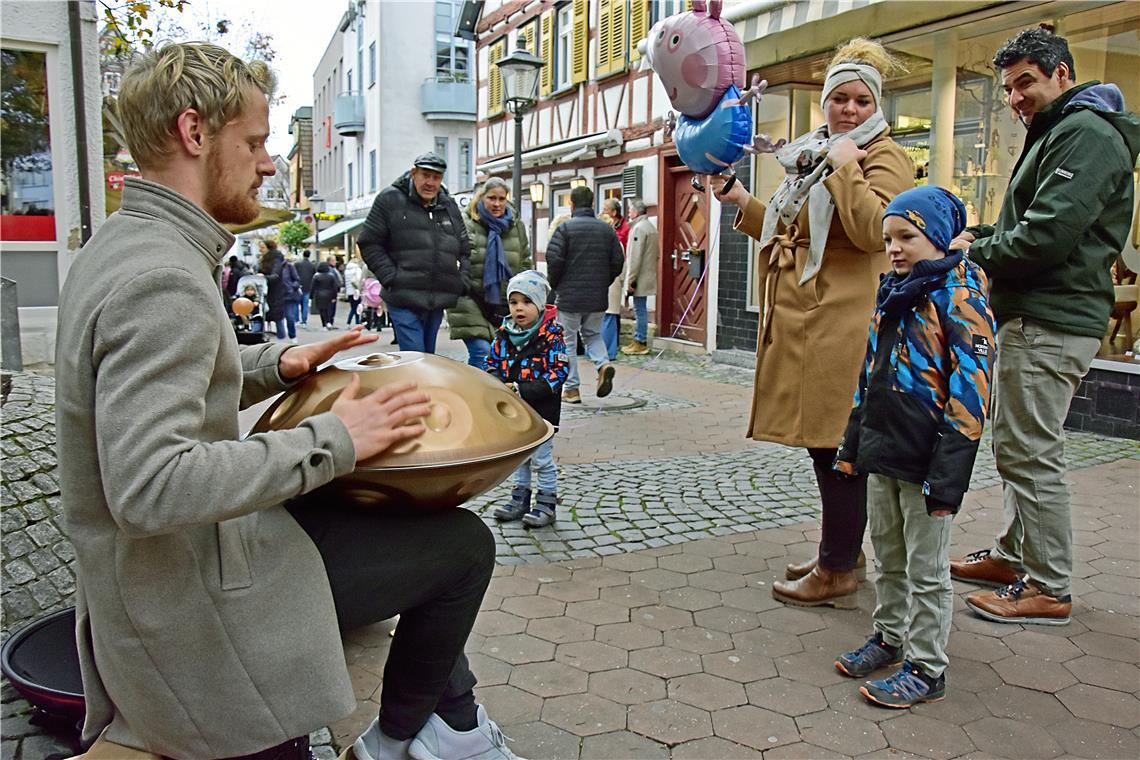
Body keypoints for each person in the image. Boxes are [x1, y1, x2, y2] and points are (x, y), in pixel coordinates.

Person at [53, 43, 514, 759]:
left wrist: (278, 363)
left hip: (168, 567)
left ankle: (445, 724)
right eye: (255, 142)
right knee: (462, 547)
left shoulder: (125, 245)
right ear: (194, 133)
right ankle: (405, 739)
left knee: (399, 520)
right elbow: (149, 487)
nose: (268, 164)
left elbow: (166, 377)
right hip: (182, 593)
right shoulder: (162, 279)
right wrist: (336, 438)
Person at [711, 37, 914, 607]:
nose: (849, 109)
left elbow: (878, 231)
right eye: (839, 99)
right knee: (825, 445)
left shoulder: (882, 155)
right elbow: (790, 230)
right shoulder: (814, 153)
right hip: (808, 317)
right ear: (824, 103)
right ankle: (842, 552)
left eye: (861, 100)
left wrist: (848, 168)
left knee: (837, 445)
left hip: (844, 320)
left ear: (876, 105)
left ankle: (837, 567)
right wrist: (742, 200)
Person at [947, 26, 1139, 625]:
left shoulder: (1085, 134)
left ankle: (1049, 585)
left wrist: (976, 251)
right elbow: (1033, 225)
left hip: (1050, 317)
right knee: (1018, 443)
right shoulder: (1062, 130)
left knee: (1030, 450)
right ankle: (1013, 556)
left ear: (1062, 74)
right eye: (1008, 88)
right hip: (1039, 314)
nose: (1015, 98)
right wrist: (981, 234)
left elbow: (1047, 235)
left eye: (1025, 82)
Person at [833, 186, 996, 708]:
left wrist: (948, 477)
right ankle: (889, 637)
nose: (895, 248)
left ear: (938, 237)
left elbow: (972, 394)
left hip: (928, 459)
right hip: (884, 450)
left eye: (907, 236)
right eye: (888, 239)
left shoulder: (960, 298)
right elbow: (869, 374)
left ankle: (927, 667)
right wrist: (853, 443)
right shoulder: (893, 292)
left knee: (927, 571)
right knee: (889, 556)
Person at [358, 151, 471, 353]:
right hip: (403, 296)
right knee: (416, 357)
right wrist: (391, 277)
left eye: (436, 177)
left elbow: (464, 247)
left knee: (427, 358)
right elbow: (369, 242)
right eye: (425, 175)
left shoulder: (447, 204)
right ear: (413, 173)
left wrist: (461, 281)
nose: (430, 183)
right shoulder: (389, 199)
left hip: (438, 297)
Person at [485, 270, 568, 528]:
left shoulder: (551, 336)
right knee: (520, 457)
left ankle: (546, 503)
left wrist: (524, 389)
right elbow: (492, 363)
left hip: (542, 411)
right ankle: (519, 499)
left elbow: (559, 372)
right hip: (514, 411)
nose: (519, 308)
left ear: (540, 305)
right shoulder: (504, 335)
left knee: (541, 459)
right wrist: (497, 383)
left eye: (527, 302)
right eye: (514, 302)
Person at [546, 185, 625, 404]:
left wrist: (556, 285)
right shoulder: (606, 230)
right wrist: (603, 282)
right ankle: (603, 364)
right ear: (592, 203)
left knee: (568, 341)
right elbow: (617, 261)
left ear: (571, 203)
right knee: (593, 334)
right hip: (597, 296)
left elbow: (554, 260)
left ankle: (572, 389)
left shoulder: (565, 229)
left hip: (569, 297)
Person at [448, 176, 532, 368]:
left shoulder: (515, 225)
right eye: (492, 198)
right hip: (469, 299)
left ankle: (478, 385)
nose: (497, 204)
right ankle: (479, 387)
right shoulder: (466, 222)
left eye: (501, 199)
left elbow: (525, 262)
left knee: (501, 358)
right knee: (482, 351)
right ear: (481, 197)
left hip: (503, 304)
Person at [621, 198, 658, 355]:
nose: (629, 213)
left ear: (636, 212)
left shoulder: (638, 229)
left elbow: (634, 258)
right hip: (647, 274)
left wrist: (631, 280)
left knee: (639, 309)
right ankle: (639, 339)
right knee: (640, 308)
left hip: (639, 277)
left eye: (630, 210)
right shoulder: (650, 227)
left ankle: (640, 340)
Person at [600, 198, 630, 359]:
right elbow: (621, 264)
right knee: (609, 317)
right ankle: (608, 351)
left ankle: (600, 351)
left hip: (601, 284)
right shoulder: (615, 242)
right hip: (612, 283)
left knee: (602, 318)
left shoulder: (599, 242)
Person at [311, 260, 342, 330]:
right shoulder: (331, 276)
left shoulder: (316, 276)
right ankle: (329, 322)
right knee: (329, 309)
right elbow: (335, 287)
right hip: (329, 295)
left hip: (319, 295)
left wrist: (311, 296)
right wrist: (334, 296)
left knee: (322, 310)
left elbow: (313, 287)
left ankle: (324, 324)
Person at [296, 248, 317, 328]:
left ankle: (297, 320)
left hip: (298, 287)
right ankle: (304, 321)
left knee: (297, 304)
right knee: (305, 305)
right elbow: (314, 276)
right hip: (308, 287)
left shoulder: (298, 264)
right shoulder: (312, 265)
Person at [344, 254, 364, 326]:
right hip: (356, 291)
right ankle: (357, 322)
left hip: (349, 292)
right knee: (357, 308)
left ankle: (349, 322)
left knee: (353, 308)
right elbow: (359, 279)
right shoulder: (357, 269)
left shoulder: (346, 271)